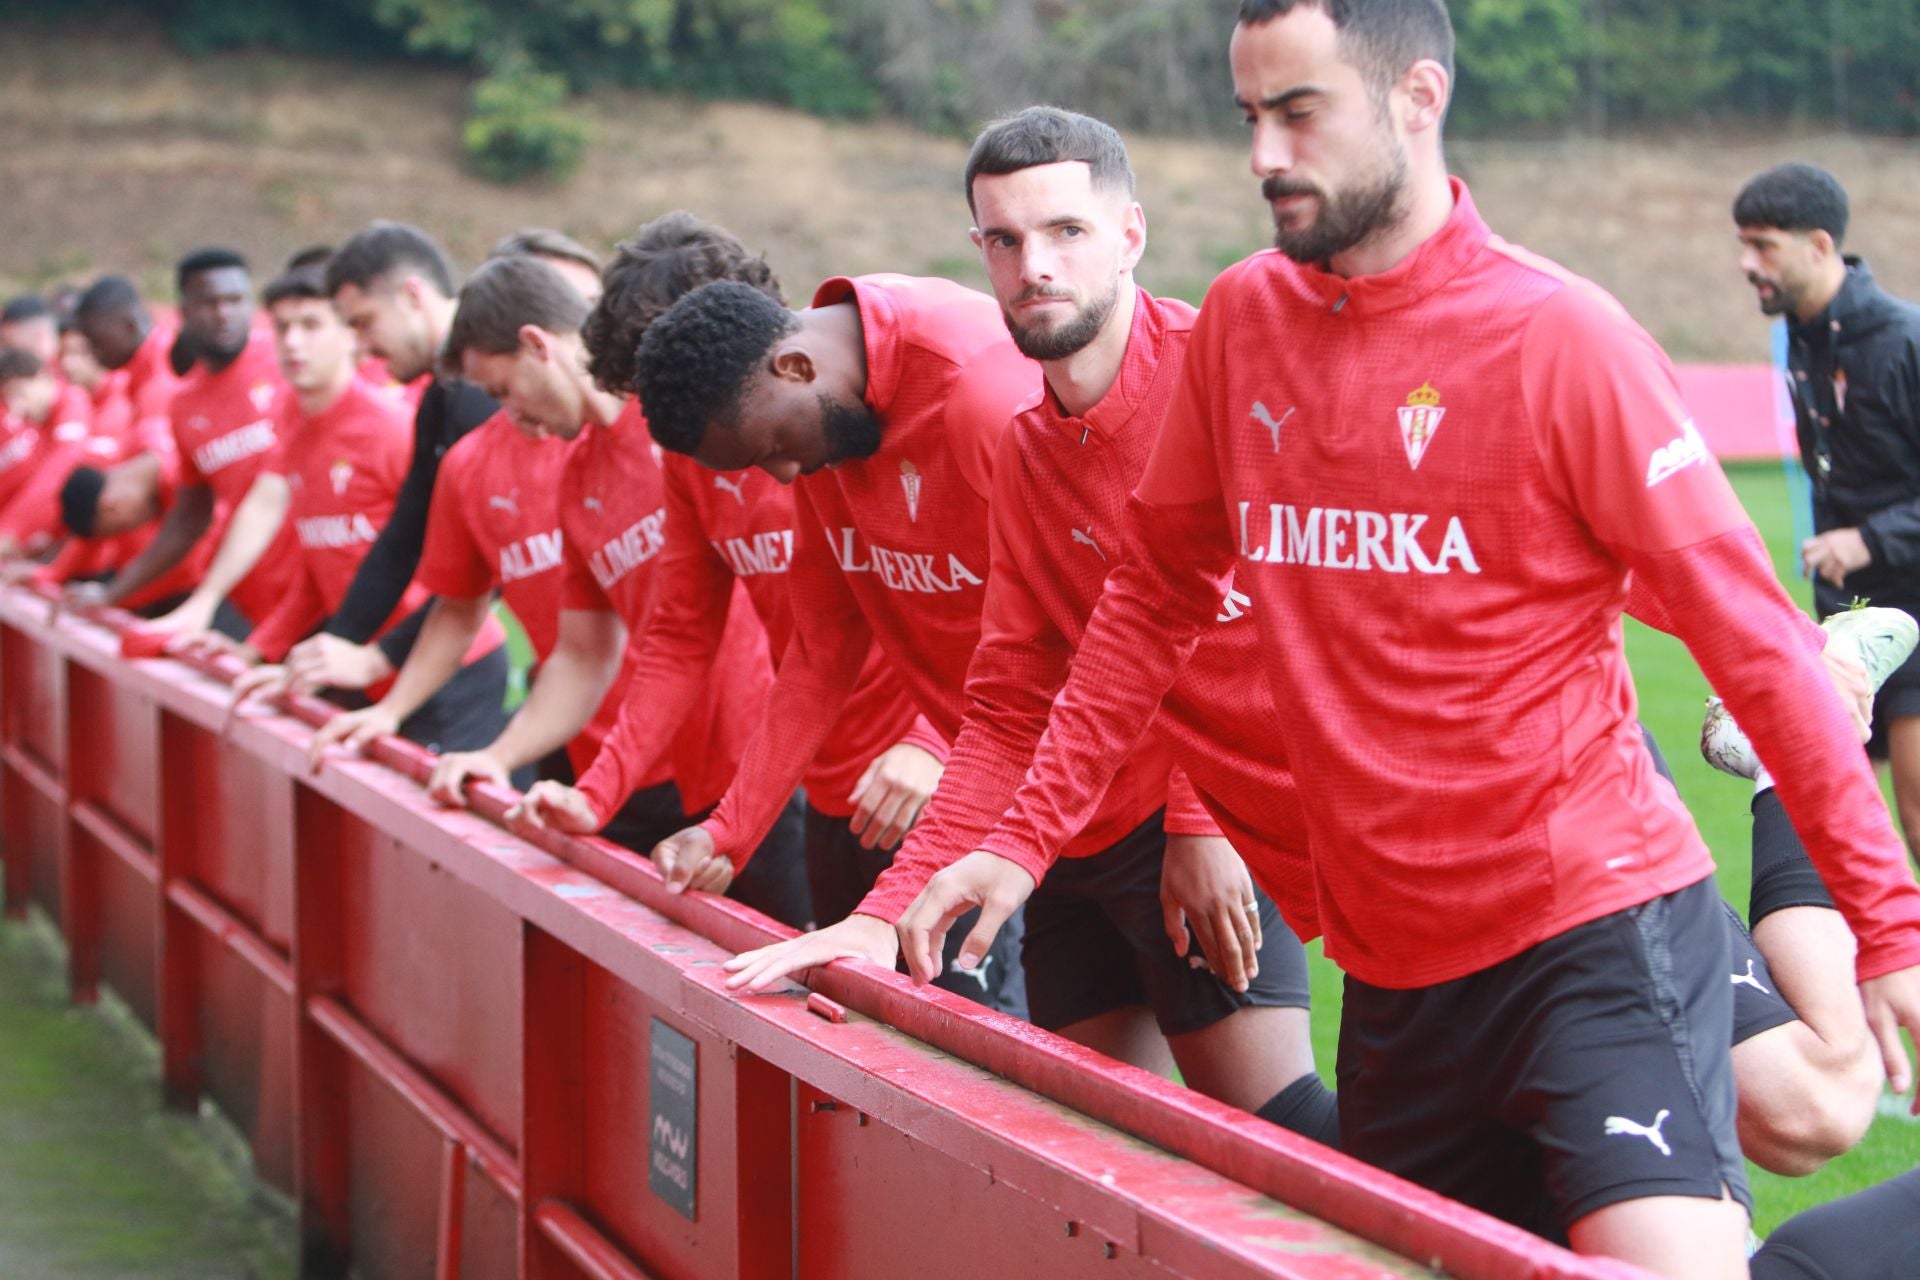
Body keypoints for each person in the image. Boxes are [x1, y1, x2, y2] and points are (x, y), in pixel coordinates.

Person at [884, 3, 1920, 1274]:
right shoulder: (1244, 323)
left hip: (1583, 925)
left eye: (1299, 112)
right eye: (1249, 116)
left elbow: (1752, 637)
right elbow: (1151, 599)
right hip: (1387, 969)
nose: (1264, 154)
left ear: (1418, 99)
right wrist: (1019, 839)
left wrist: (1891, 923)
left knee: (1784, 1139)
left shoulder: (1563, 335)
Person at [719, 108, 1326, 1129]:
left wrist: (1202, 821)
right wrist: (876, 920)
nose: (1033, 265)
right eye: (1004, 240)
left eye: (1065, 231)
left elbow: (1288, 629)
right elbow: (1006, 709)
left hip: (1216, 825)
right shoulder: (1029, 452)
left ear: (1131, 234)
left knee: (1290, 1133)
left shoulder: (1220, 377)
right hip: (1061, 832)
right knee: (1107, 1139)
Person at [502, 213, 1017, 1008]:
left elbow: (1019, 612)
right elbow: (753, 643)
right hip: (821, 783)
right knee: (852, 1024)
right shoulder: (718, 459)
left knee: (976, 1029)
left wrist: (930, 742)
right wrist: (645, 804)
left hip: (947, 773)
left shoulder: (857, 417)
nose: (772, 475)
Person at [310, 251, 808, 924]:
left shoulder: (685, 423)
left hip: (776, 770)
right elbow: (585, 652)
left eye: (504, 391)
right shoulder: (576, 480)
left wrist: (912, 740)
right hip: (654, 775)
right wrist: (502, 757)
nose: (510, 415)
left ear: (538, 346)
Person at [223, 259, 509, 752]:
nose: (293, 343)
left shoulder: (392, 427)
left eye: (311, 325)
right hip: (369, 667)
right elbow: (323, 563)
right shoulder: (295, 427)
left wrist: (380, 658)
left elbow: (465, 560)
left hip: (445, 669)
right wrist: (264, 650)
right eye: (282, 327)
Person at [1734, 162, 1920, 847]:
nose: (1747, 264)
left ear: (1818, 245)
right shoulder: (1803, 341)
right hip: (1844, 616)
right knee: (1837, 830)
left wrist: (1866, 538)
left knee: (1916, 818)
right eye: (1744, 245)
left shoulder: (1905, 341)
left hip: (1916, 607)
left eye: (1763, 247)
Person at [61, 249, 295, 623]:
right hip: (255, 599)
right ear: (184, 311)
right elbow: (188, 518)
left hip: (316, 591)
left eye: (235, 300)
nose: (224, 314)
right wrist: (112, 594)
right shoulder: (184, 405)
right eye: (210, 303)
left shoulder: (289, 365)